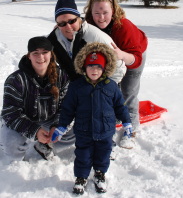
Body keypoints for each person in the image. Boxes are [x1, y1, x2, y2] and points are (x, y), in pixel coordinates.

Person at [51, 42, 133, 195]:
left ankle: (100, 174)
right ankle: (81, 178)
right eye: (90, 66)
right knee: (83, 155)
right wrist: (62, 126)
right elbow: (68, 109)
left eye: (98, 67)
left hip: (106, 131)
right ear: (84, 67)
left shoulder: (111, 86)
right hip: (84, 130)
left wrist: (127, 122)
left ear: (104, 68)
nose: (94, 70)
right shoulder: (77, 87)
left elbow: (120, 106)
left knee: (103, 154)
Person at [84, 0, 148, 148]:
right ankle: (116, 116)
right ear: (90, 12)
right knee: (111, 89)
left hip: (132, 54)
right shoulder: (88, 24)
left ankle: (131, 128)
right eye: (97, 13)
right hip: (110, 58)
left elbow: (136, 60)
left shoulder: (124, 27)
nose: (101, 18)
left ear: (113, 10)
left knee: (128, 90)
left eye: (105, 13)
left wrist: (122, 55)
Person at [0, 36, 72, 161]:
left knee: (82, 127)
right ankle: (16, 162)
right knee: (11, 142)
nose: (40, 57)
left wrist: (57, 125)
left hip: (50, 120)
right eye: (35, 53)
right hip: (25, 120)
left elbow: (67, 106)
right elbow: (10, 114)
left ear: (51, 54)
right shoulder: (16, 80)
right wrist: (35, 131)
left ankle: (46, 145)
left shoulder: (62, 76)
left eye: (45, 52)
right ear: (29, 56)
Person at [47, 0, 126, 84]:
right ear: (57, 25)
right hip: (73, 90)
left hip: (98, 88)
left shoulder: (96, 37)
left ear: (79, 19)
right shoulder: (53, 40)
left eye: (71, 21)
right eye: (62, 24)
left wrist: (106, 89)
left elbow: (118, 68)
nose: (68, 27)